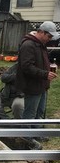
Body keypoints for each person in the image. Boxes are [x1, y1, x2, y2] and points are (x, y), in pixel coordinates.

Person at [16, 21, 60, 149]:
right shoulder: (29, 45)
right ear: (41, 32)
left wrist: (47, 70)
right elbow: (26, 67)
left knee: (39, 112)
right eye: (49, 36)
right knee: (30, 113)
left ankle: (36, 133)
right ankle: (27, 138)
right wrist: (44, 74)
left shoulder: (40, 44)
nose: (50, 39)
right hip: (32, 85)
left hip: (41, 85)